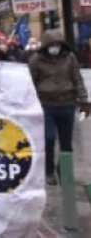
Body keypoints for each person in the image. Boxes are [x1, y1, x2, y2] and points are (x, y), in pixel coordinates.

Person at [28, 29, 91, 185]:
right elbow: (30, 83)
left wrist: (84, 100)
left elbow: (77, 79)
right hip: (46, 105)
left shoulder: (69, 58)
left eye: (57, 44)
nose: (55, 47)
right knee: (48, 139)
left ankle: (63, 170)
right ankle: (48, 171)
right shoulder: (36, 60)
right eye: (52, 45)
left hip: (67, 104)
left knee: (66, 143)